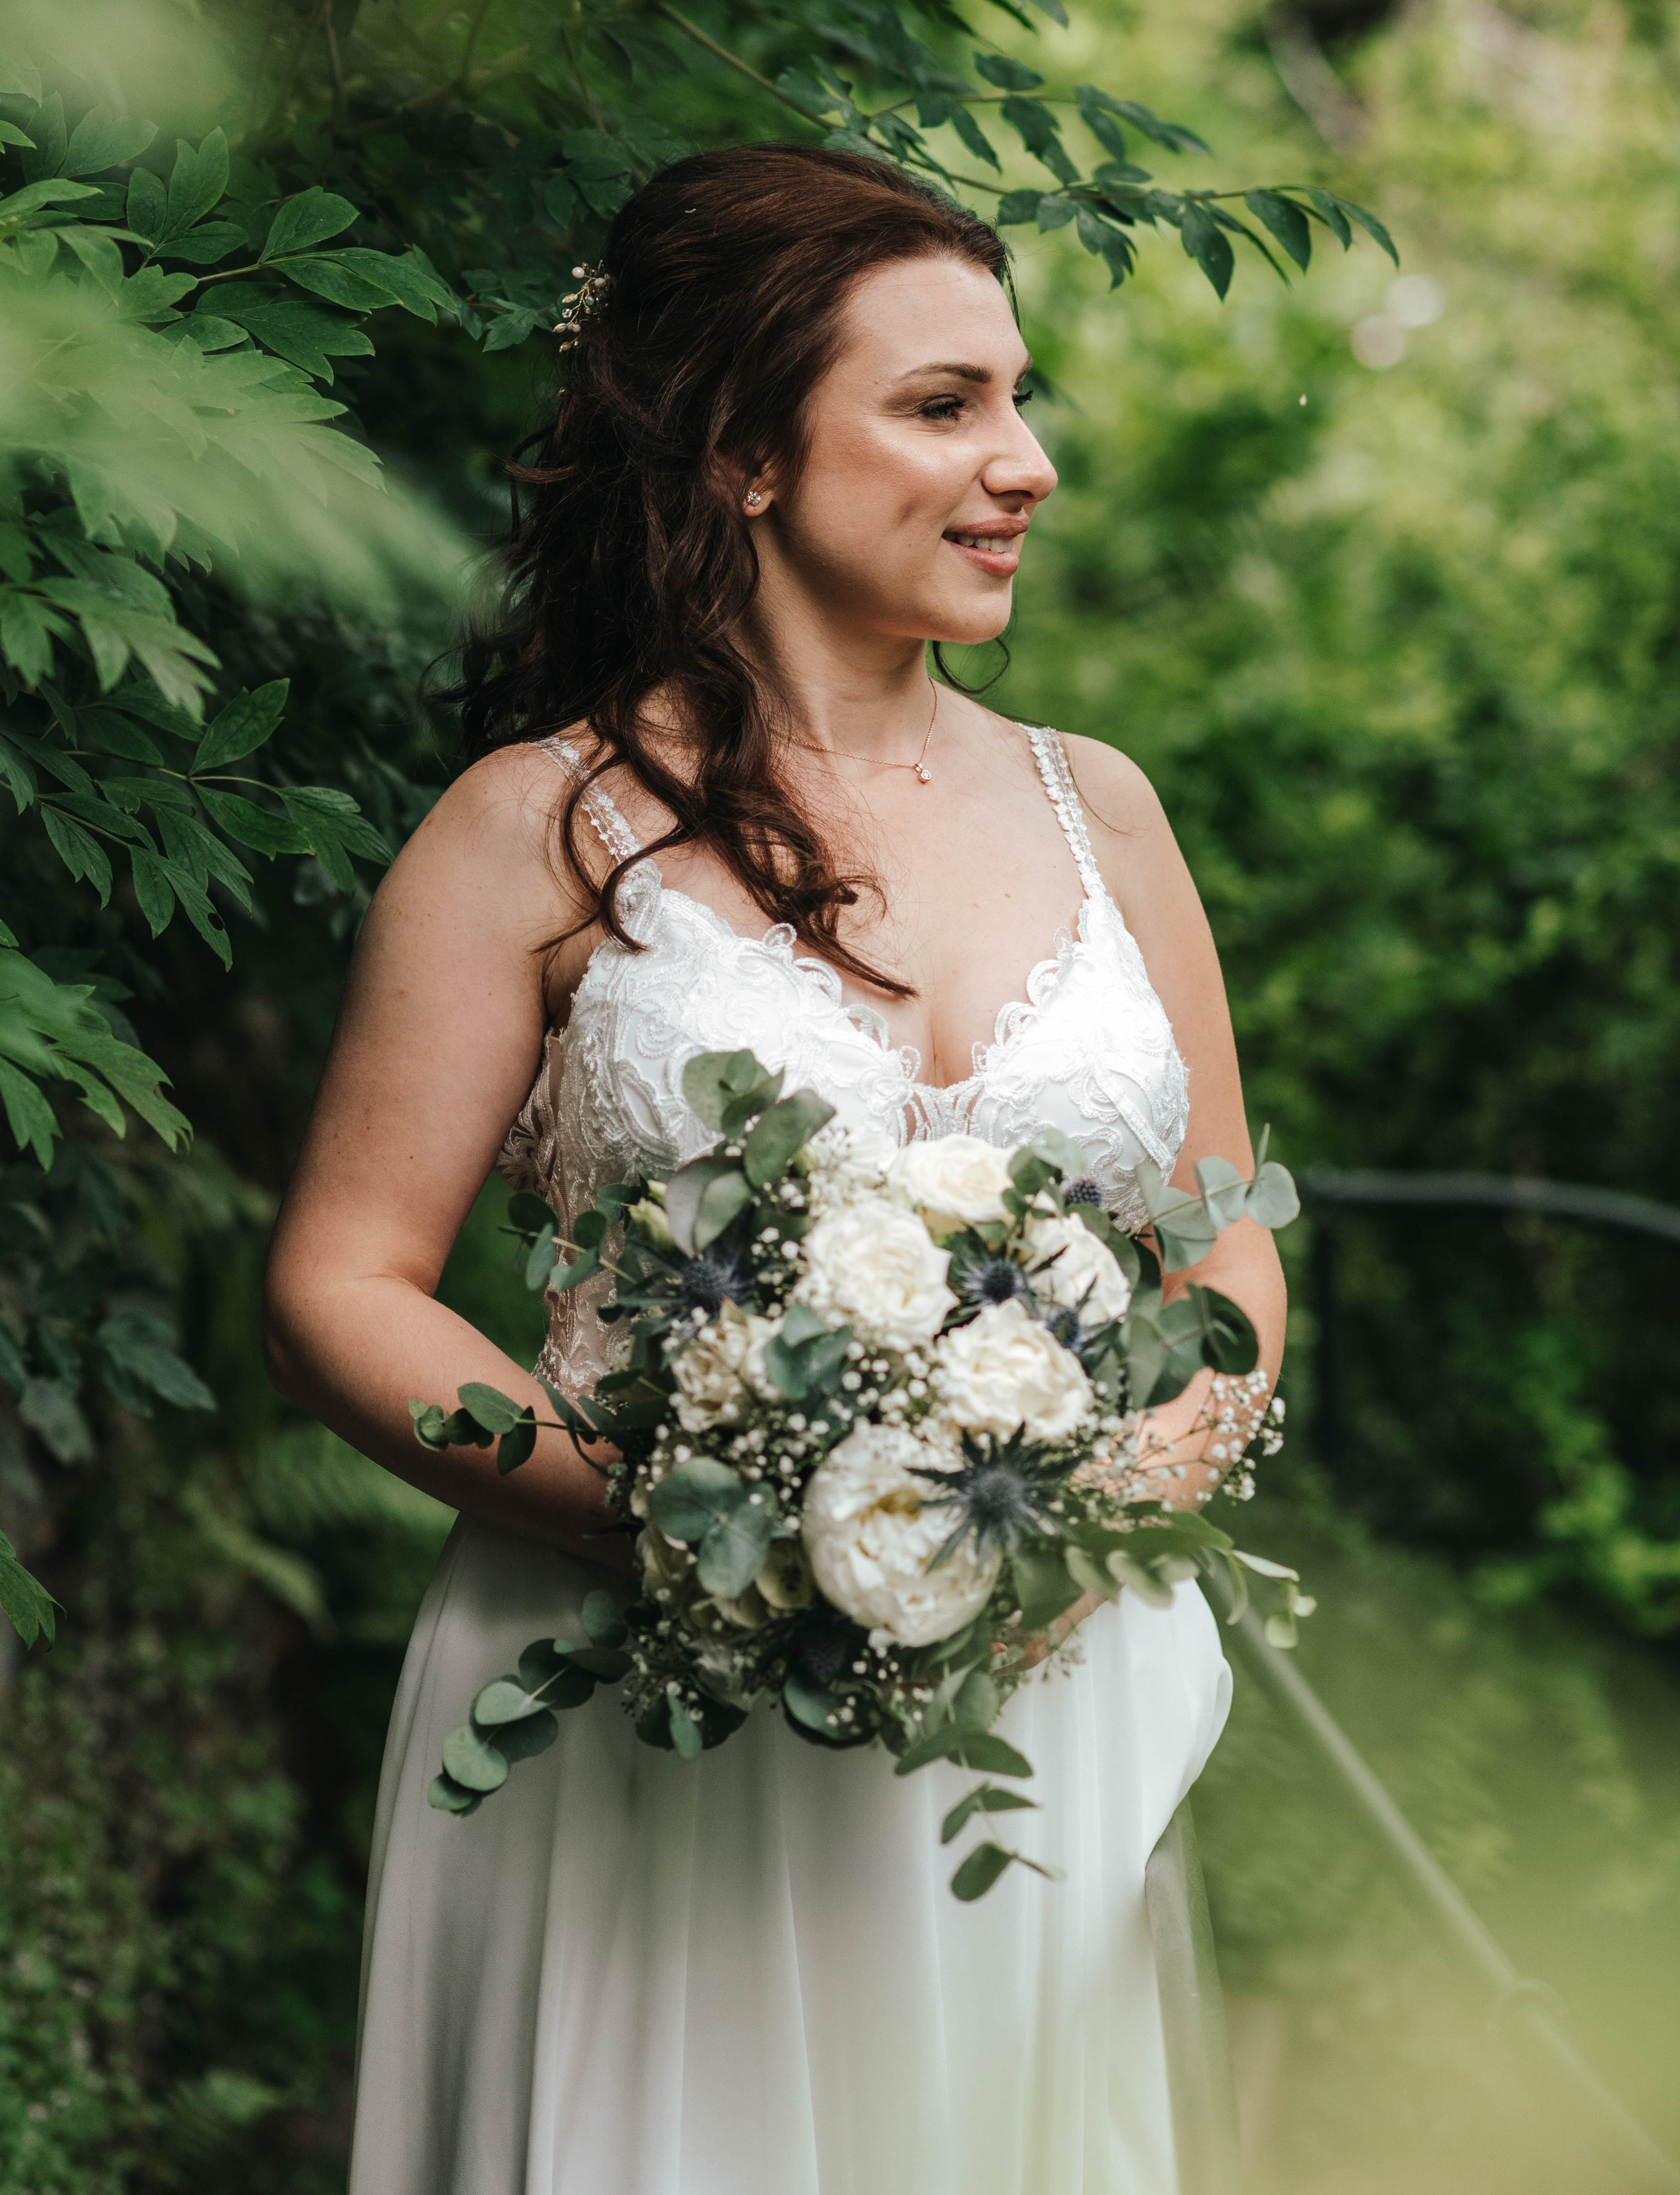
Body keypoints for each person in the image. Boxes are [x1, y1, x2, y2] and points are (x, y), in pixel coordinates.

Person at [262, 144, 1286, 2195]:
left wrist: (1102, 1510)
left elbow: (1229, 1238)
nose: (1028, 463)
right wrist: (689, 1522)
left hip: (1044, 1712)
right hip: (641, 1691)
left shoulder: (1108, 812)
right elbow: (341, 1281)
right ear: (739, 448)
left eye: (1020, 396)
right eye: (943, 405)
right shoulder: (535, 833)